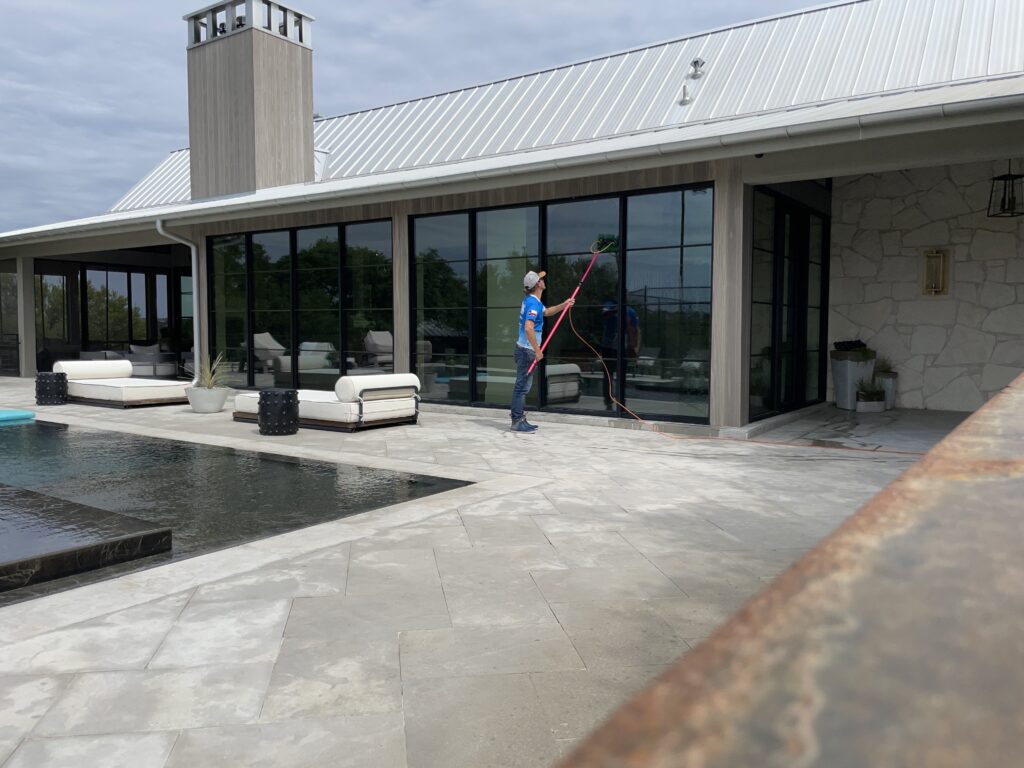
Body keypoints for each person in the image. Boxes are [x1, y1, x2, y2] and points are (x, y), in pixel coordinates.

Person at [510, 270, 574, 432]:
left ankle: (520, 418)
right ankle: (517, 421)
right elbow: (529, 328)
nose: (543, 280)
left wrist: (564, 305)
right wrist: (538, 351)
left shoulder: (533, 302)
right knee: (521, 387)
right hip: (527, 351)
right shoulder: (533, 304)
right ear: (538, 284)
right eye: (541, 279)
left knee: (522, 386)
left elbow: (546, 312)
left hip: (525, 350)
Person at [599, 299, 641, 410]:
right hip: (608, 346)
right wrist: (616, 310)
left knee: (621, 375)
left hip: (622, 347)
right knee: (608, 375)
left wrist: (635, 347)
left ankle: (621, 403)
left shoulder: (630, 311)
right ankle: (608, 402)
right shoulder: (609, 305)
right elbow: (604, 315)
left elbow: (636, 329)